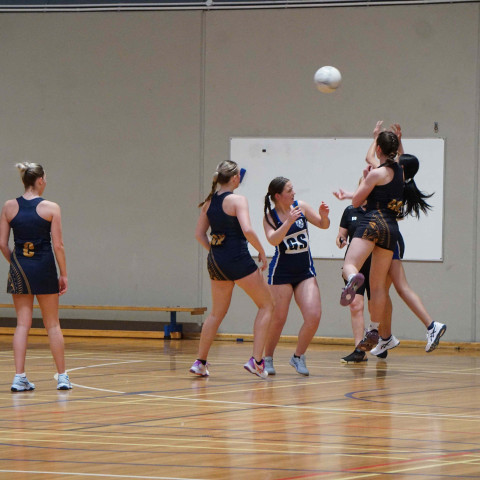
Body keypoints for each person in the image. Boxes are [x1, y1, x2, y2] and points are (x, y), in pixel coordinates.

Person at [190, 160, 274, 378]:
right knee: (267, 305)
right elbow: (247, 229)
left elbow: (199, 235)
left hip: (216, 261)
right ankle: (256, 361)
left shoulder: (209, 202)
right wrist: (261, 250)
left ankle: (200, 362)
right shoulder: (238, 199)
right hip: (238, 259)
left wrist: (215, 251)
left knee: (216, 313)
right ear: (235, 178)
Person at [0, 162, 71, 391]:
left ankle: (19, 377)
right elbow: (58, 245)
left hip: (20, 268)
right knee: (52, 325)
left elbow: (2, 244)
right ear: (40, 180)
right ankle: (62, 377)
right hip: (44, 267)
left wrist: (17, 264)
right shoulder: (51, 208)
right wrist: (64, 274)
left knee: (22, 325)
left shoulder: (9, 206)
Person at [340, 129, 404, 353]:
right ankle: (374, 329)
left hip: (373, 222)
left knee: (350, 264)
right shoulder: (400, 172)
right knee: (378, 287)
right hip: (391, 229)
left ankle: (352, 278)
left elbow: (357, 201)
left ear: (378, 149)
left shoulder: (376, 174)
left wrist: (365, 179)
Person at [262, 177, 330, 376]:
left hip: (304, 271)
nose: (294, 192)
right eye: (289, 190)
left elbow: (323, 225)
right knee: (278, 319)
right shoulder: (270, 217)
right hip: (281, 272)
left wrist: (324, 216)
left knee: (314, 316)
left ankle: (298, 356)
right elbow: (273, 240)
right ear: (278, 195)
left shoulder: (300, 206)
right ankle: (267, 358)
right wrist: (289, 222)